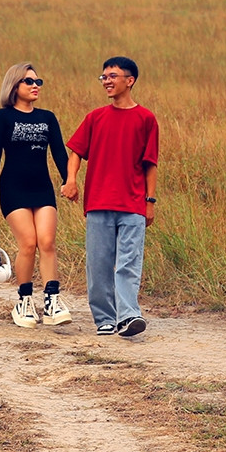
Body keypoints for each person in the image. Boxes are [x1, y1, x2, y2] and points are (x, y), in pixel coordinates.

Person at [61, 56, 158, 337]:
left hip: (133, 204)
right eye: (103, 77)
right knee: (99, 263)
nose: (106, 81)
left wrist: (150, 202)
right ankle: (104, 318)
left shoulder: (146, 119)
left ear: (130, 80)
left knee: (128, 263)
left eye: (112, 76)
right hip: (99, 203)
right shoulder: (95, 117)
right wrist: (71, 180)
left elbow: (150, 163)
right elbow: (76, 152)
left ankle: (128, 316)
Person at [0, 62, 73, 328]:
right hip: (13, 187)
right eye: (29, 81)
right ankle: (24, 302)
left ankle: (52, 302)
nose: (36, 86)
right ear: (14, 86)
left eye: (38, 82)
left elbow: (59, 152)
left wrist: (69, 180)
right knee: (28, 243)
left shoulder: (47, 117)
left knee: (47, 242)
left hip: (42, 187)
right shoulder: (3, 117)